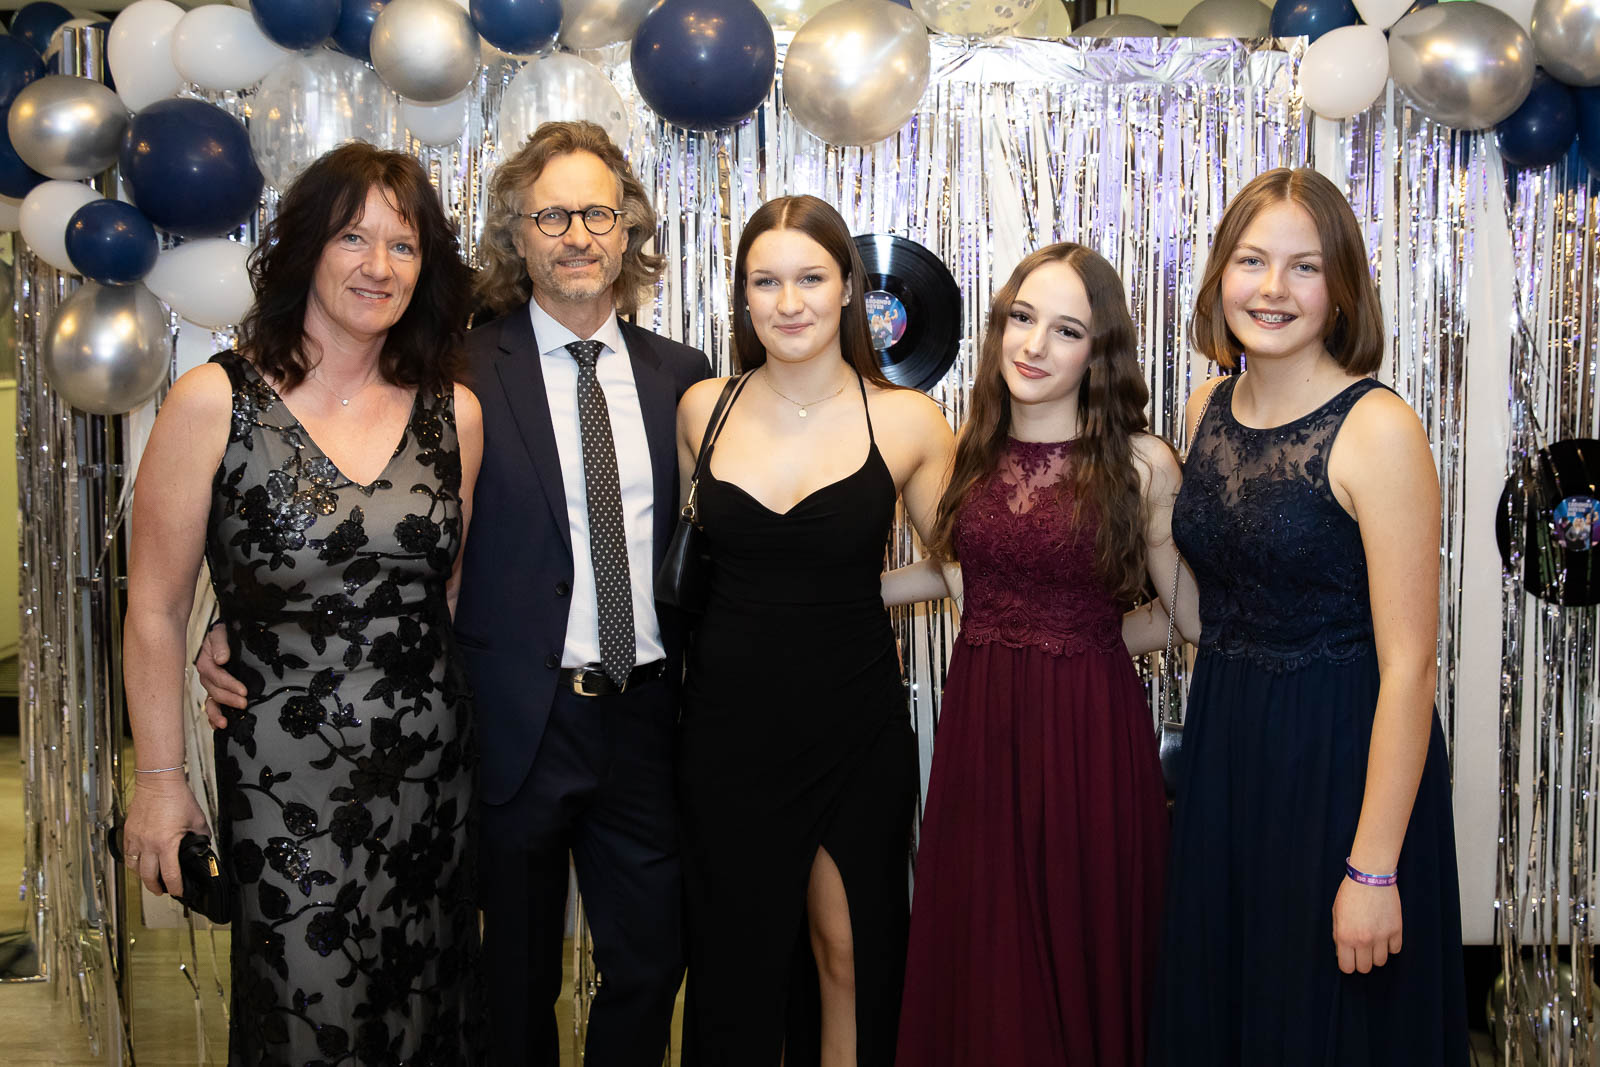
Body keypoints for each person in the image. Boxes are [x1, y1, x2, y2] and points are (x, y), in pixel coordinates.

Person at [200, 121, 711, 1065]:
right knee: (512, 977)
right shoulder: (449, 371)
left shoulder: (682, 377)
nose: (577, 235)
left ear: (630, 228)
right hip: (511, 722)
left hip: (647, 720)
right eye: (550, 216)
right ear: (515, 233)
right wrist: (234, 622)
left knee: (651, 963)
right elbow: (363, 525)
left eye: (598, 213)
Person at [122, 143, 483, 1063]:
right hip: (283, 786)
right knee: (304, 1018)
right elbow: (154, 609)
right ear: (306, 248)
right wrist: (160, 782)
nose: (377, 265)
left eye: (403, 245)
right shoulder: (214, 401)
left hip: (430, 786)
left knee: (421, 1023)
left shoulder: (455, 413)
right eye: (352, 237)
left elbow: (440, 591)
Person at [1150, 167, 1468, 1065]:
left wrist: (1374, 866)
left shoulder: (1379, 428)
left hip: (1341, 766)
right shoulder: (1205, 408)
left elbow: (1410, 667)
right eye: (1252, 260)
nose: (1273, 288)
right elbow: (1211, 607)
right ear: (1221, 273)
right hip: (1227, 751)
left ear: (1341, 288)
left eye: (1305, 266)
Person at [887, 242, 1189, 1066]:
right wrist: (841, 591)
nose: (1033, 344)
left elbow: (1185, 616)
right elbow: (965, 579)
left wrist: (1084, 640)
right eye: (1022, 318)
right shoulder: (972, 448)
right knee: (990, 955)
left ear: (1100, 352)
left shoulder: (1141, 463)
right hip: (983, 735)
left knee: (1075, 947)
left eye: (1066, 330)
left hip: (1088, 738)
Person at [673, 194, 955, 1066]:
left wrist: (861, 593)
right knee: (735, 964)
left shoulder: (906, 419)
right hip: (725, 730)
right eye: (766, 282)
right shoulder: (703, 408)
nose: (789, 302)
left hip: (853, 728)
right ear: (743, 296)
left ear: (849, 290)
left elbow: (961, 569)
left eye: (810, 278)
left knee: (850, 953)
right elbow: (695, 566)